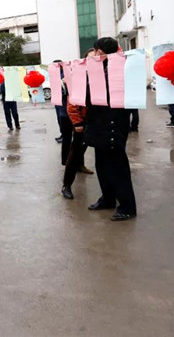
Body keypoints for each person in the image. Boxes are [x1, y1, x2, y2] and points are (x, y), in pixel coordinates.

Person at [84, 38, 137, 221]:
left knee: (117, 167)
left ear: (100, 52)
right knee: (102, 165)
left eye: (95, 51)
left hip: (113, 125)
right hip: (99, 124)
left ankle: (127, 207)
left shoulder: (118, 70)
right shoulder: (100, 69)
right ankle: (108, 199)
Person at [60, 50, 95, 200]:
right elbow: (72, 104)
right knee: (75, 153)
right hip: (83, 123)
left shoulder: (104, 75)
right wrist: (78, 122)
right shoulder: (80, 77)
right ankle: (66, 185)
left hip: (99, 122)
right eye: (91, 58)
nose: (95, 60)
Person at [54, 59, 74, 164]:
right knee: (66, 136)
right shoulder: (56, 76)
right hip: (61, 107)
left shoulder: (65, 76)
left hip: (68, 110)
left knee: (71, 138)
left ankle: (70, 161)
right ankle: (66, 160)